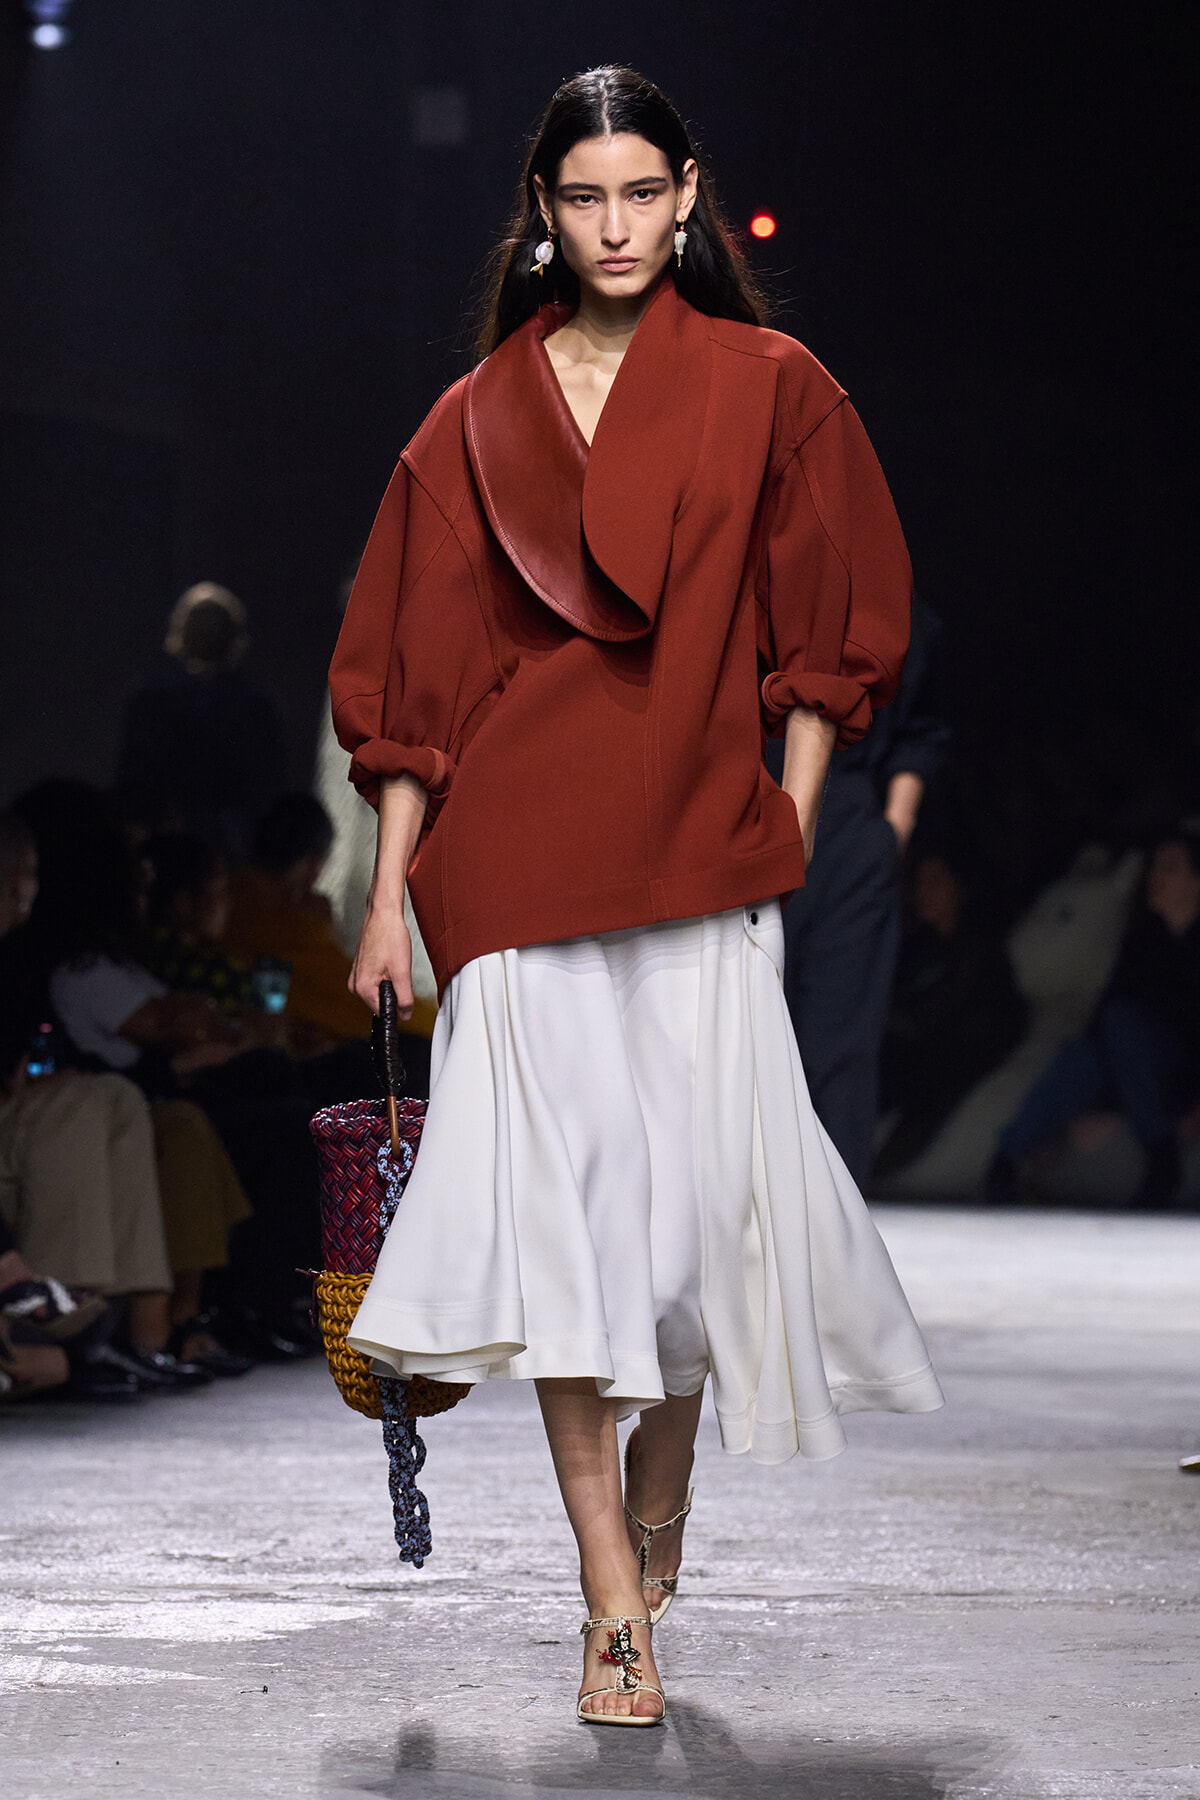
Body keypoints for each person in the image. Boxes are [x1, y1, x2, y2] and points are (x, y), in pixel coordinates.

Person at [330, 66, 943, 1725]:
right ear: (545, 212)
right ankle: (610, 1593)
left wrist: (784, 824)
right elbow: (413, 684)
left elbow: (835, 625)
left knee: (684, 1242)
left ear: (686, 199)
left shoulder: (773, 391)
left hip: (697, 848)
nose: (613, 226)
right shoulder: (473, 421)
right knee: (572, 1241)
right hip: (516, 862)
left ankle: (660, 1494)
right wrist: (387, 902)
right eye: (582, 197)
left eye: (640, 194)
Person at [767, 595, 951, 1185]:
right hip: (742, 813)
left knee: (838, 1046)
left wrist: (894, 830)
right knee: (733, 1034)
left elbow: (920, 726)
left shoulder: (887, 599)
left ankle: (835, 1226)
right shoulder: (736, 579)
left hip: (848, 822)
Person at [986, 830, 1200, 1208]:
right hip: (1133, 1071)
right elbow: (1107, 1022)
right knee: (1082, 1055)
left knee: (1119, 1026)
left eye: (1170, 868)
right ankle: (1007, 1162)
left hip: (1178, 1076)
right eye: (1155, 867)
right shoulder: (1142, 942)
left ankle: (1161, 1155)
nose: (1156, 877)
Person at [874, 848, 1027, 1178]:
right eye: (920, 882)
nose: (924, 892)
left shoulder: (978, 949)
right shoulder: (918, 948)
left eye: (936, 882)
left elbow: (937, 1015)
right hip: (910, 1054)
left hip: (949, 1057)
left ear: (960, 888)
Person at [115, 582, 286, 860]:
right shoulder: (149, 700)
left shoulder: (256, 706)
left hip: (223, 844)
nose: (207, 631)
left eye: (213, 624)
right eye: (202, 622)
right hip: (180, 840)